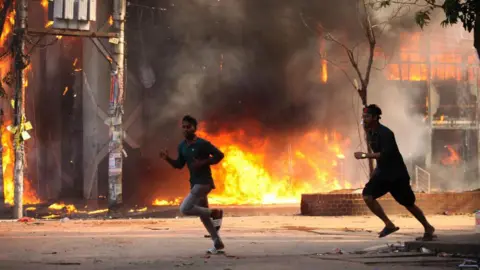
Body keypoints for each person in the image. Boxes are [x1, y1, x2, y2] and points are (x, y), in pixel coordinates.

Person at [354, 104, 436, 241]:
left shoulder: (386, 133)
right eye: (363, 116)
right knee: (367, 196)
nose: (364, 119)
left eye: (367, 116)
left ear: (375, 118)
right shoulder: (370, 133)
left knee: (408, 204)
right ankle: (389, 224)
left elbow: (386, 154)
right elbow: (378, 155)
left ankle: (428, 227)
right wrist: (376, 170)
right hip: (383, 174)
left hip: (397, 175)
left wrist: (364, 156)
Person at [160, 115, 225, 252]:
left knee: (184, 209)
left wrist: (203, 162)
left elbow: (219, 155)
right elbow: (179, 165)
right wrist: (167, 159)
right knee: (203, 216)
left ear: (195, 128)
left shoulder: (203, 144)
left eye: (188, 127)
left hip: (204, 183)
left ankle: (215, 212)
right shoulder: (182, 146)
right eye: (183, 127)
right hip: (194, 183)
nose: (185, 129)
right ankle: (217, 243)